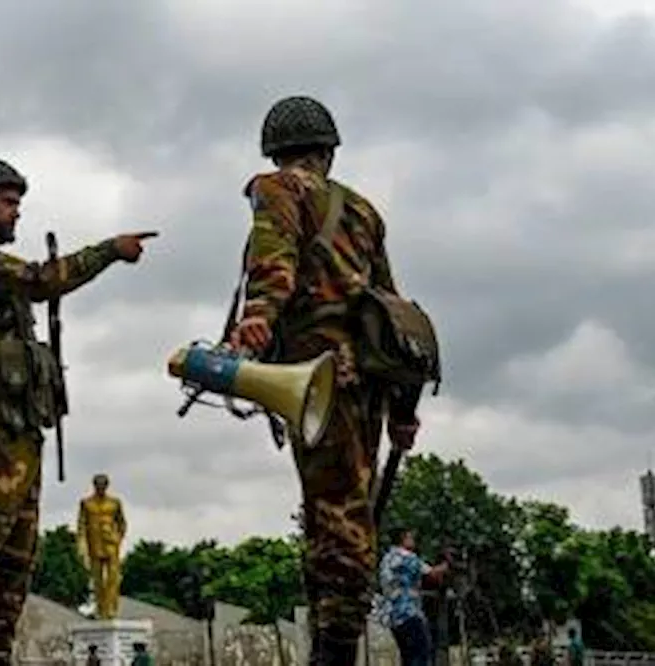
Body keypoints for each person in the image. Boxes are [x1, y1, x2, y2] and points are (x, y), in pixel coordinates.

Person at [0, 155, 157, 666]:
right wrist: (110, 251)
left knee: (12, 568)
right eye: (8, 203)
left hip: (15, 434)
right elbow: (44, 279)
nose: (17, 213)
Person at [226, 95, 425, 664]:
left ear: (275, 149)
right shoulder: (364, 211)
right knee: (339, 516)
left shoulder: (276, 189)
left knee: (336, 526)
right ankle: (331, 645)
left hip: (316, 379)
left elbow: (274, 260)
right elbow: (394, 310)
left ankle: (333, 655)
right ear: (329, 151)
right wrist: (402, 412)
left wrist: (257, 318)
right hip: (365, 382)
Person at [377, 529, 448, 666]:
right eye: (410, 537)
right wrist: (446, 564)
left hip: (393, 616)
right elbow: (432, 573)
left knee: (407, 656)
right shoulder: (406, 557)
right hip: (409, 612)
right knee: (421, 653)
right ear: (403, 539)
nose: (413, 540)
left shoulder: (386, 559)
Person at [77, 472, 128, 619]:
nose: (101, 488)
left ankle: (111, 609)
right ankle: (101, 610)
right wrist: (82, 546)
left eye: (103, 486)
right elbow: (81, 526)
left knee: (113, 578)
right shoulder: (86, 503)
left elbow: (122, 523)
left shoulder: (114, 503)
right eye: (98, 486)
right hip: (94, 545)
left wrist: (118, 538)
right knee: (97, 580)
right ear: (94, 486)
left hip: (111, 544)